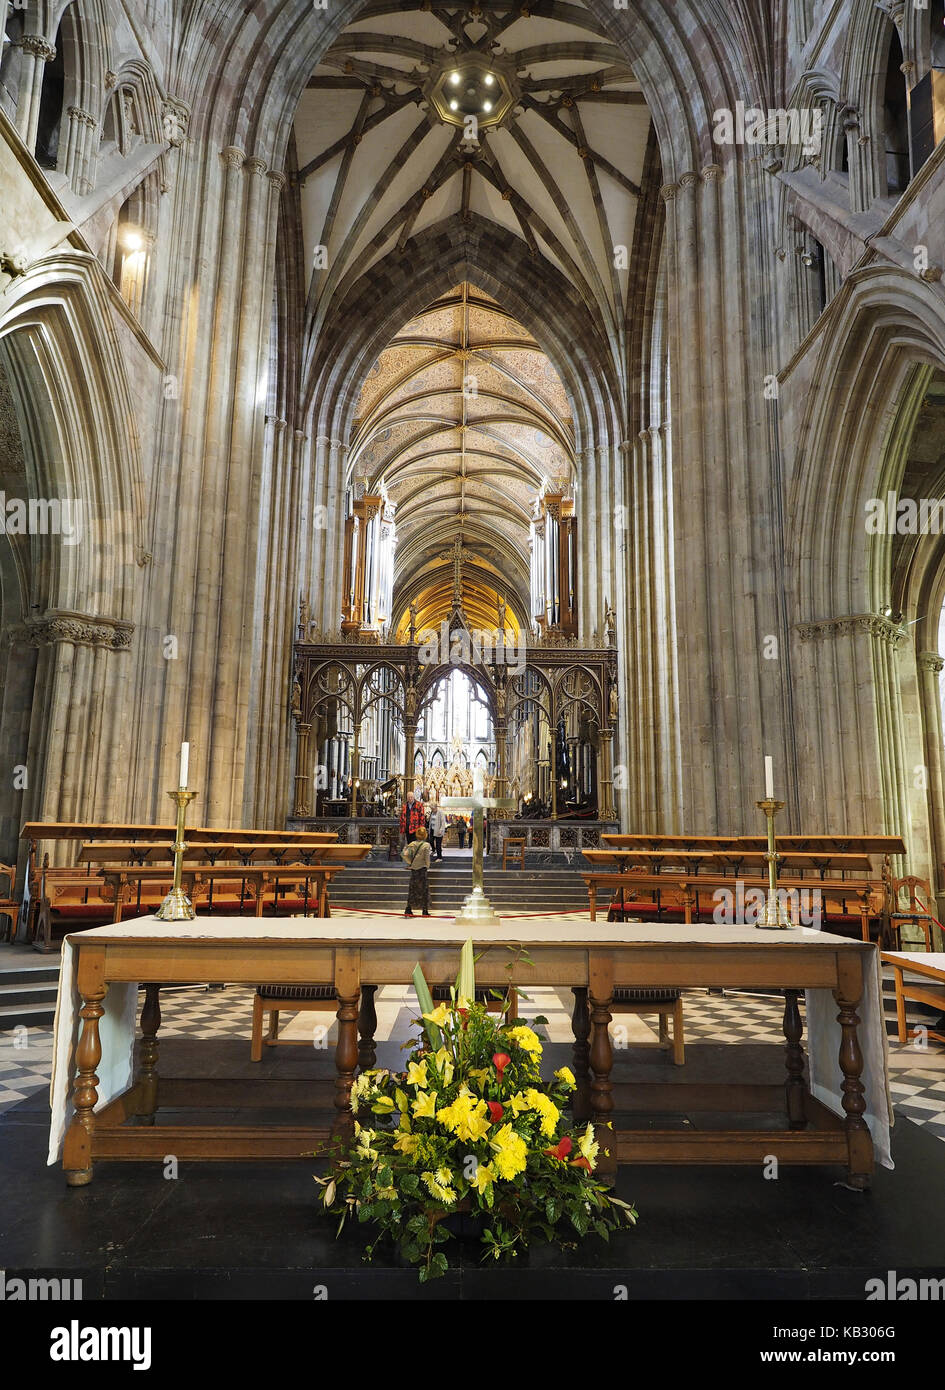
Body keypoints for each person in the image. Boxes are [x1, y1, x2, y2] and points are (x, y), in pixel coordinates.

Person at [402, 827, 432, 917]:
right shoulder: (426, 845)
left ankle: (408, 909)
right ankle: (424, 910)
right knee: (424, 890)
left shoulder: (412, 844)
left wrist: (410, 863)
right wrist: (427, 865)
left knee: (412, 889)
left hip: (414, 869)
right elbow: (427, 858)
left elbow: (405, 854)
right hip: (422, 869)